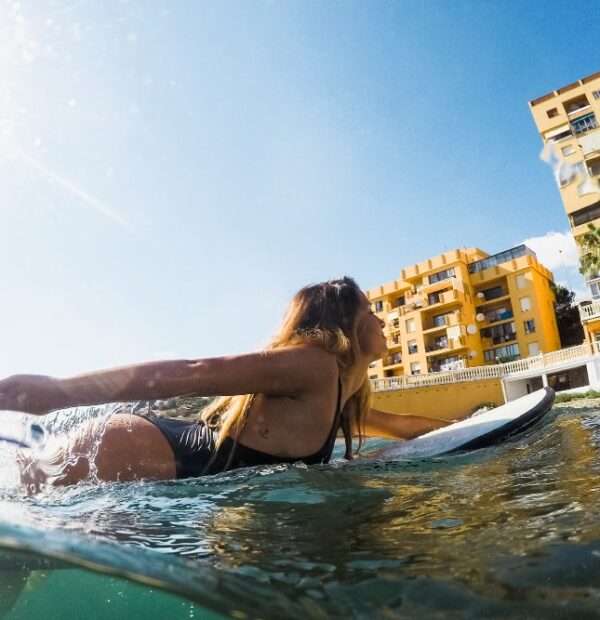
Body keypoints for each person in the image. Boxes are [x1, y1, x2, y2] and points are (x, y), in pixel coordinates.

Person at [0, 277, 454, 487]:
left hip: (167, 466)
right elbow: (194, 373)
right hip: (137, 446)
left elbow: (399, 426)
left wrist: (473, 425)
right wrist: (57, 393)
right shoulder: (314, 365)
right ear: (346, 322)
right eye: (370, 309)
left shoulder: (344, 394)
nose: (381, 319)